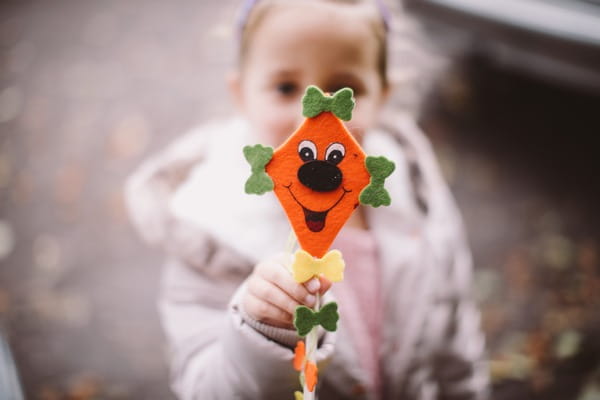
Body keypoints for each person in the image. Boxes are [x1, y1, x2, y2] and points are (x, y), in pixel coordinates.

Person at [125, 0, 489, 399]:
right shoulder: (208, 229)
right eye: (285, 88)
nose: (312, 120)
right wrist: (261, 332)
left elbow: (455, 327)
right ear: (241, 94)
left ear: (382, 95)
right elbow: (203, 387)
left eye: (344, 91)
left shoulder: (416, 190)